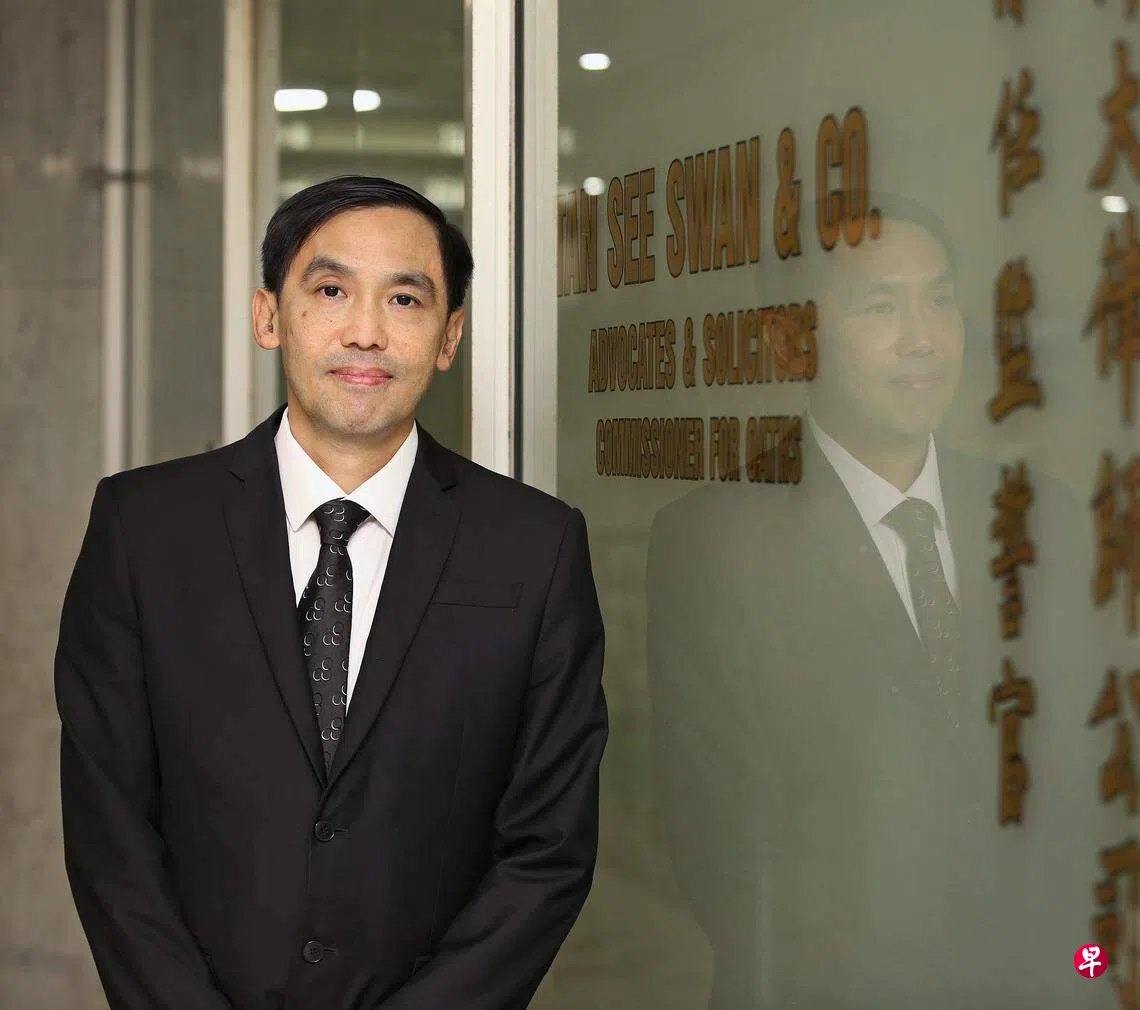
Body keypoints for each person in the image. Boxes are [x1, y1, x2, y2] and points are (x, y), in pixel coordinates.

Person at [55, 175, 608, 1010]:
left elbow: (548, 849)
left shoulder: (536, 546)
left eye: (406, 300)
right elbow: (109, 831)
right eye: (330, 290)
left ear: (450, 335)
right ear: (269, 317)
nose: (366, 332)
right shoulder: (144, 529)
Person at [646, 198, 1100, 1009]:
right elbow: (724, 844)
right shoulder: (717, 541)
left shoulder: (1040, 517)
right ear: (793, 340)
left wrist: (1081, 968)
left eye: (939, 300)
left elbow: (1086, 782)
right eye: (881, 308)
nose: (922, 339)